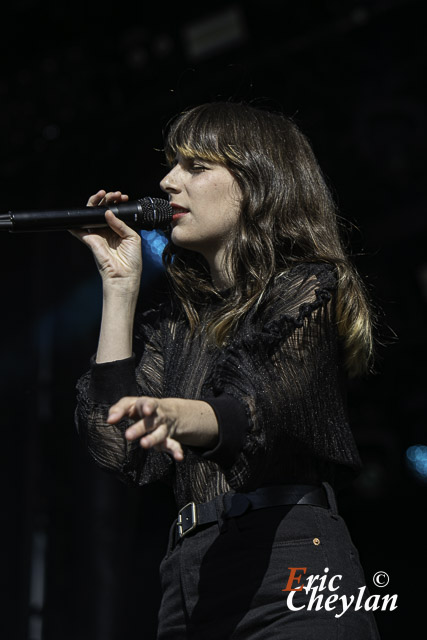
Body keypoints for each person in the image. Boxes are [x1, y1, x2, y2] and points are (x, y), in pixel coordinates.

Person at [73, 102, 381, 639]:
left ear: (258, 181)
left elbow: (256, 409)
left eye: (196, 167)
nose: (168, 181)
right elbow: (115, 446)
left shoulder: (306, 288)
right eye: (171, 166)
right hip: (189, 579)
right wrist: (118, 288)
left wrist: (174, 413)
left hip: (292, 567)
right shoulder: (175, 325)